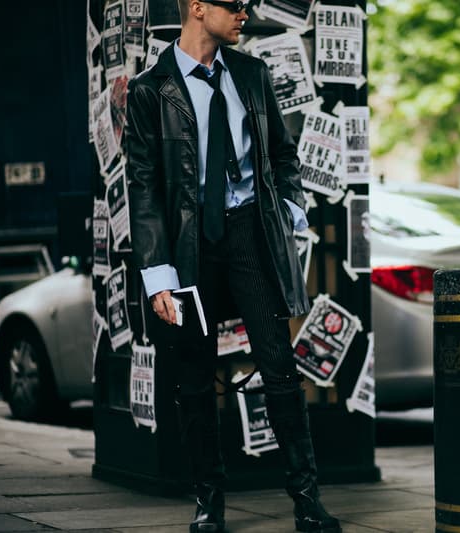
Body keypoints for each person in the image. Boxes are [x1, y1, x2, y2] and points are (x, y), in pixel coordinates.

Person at [125, 1, 340, 532]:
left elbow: (283, 157)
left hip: (249, 234)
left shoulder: (251, 74)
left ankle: (307, 500)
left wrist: (287, 211)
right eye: (234, 5)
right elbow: (144, 188)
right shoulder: (152, 90)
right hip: (189, 244)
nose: (244, 13)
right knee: (195, 378)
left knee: (280, 367)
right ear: (198, 8)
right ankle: (208, 503)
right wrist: (158, 276)